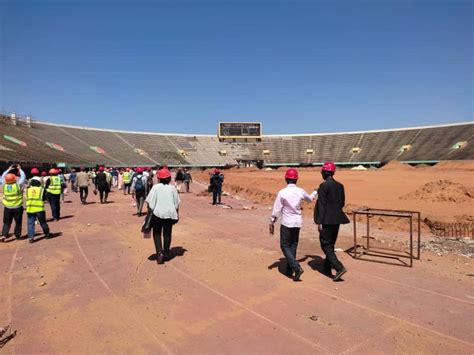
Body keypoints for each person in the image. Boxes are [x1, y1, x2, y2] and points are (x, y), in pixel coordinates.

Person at [269, 168, 317, 281]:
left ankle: (296, 267)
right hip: (297, 222)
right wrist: (315, 192)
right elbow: (310, 199)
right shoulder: (301, 191)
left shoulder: (282, 192)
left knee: (284, 245)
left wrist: (272, 221)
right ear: (296, 179)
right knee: (293, 245)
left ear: (286, 178)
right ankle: (290, 269)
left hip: (287, 222)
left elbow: (277, 209)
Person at [314, 161, 350, 281]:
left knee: (325, 245)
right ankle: (327, 267)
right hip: (337, 219)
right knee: (331, 243)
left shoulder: (324, 186)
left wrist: (319, 222)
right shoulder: (340, 185)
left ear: (325, 172)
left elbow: (322, 205)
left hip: (327, 220)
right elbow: (342, 203)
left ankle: (339, 267)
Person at [145, 168, 180, 264]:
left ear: (159, 178)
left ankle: (159, 252)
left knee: (157, 233)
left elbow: (149, 202)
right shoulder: (173, 188)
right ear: (169, 178)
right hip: (170, 214)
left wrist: (149, 213)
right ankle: (166, 253)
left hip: (157, 214)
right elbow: (176, 204)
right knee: (167, 234)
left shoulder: (155, 188)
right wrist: (177, 215)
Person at [1, 164, 26, 241]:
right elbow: (23, 177)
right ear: (14, 179)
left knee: (6, 222)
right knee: (18, 222)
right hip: (17, 207)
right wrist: (19, 169)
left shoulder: (4, 185)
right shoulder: (18, 185)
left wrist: (8, 169)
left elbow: (2, 176)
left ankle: (4, 235)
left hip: (8, 207)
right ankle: (17, 235)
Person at [25, 177, 50, 243]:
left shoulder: (27, 190)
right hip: (39, 209)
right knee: (43, 222)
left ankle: (31, 238)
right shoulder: (42, 189)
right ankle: (47, 234)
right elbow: (44, 199)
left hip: (30, 209)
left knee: (30, 223)